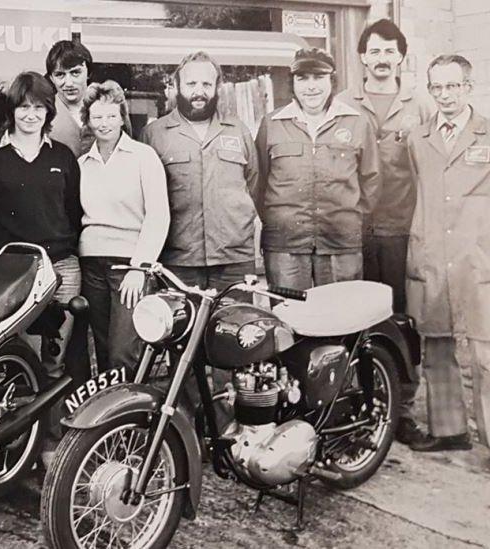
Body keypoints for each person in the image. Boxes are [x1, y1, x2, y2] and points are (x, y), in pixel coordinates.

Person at [0, 72, 86, 465]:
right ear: (12, 110)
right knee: (16, 358)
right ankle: (15, 446)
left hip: (61, 270)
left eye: (39, 107)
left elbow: (73, 212)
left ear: (49, 111)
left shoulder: (62, 157)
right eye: (24, 106)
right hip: (12, 275)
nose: (31, 115)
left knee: (54, 362)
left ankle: (50, 443)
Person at [338, 19, 432, 446]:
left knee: (402, 320)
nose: (381, 58)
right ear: (362, 56)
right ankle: (360, 404)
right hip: (352, 232)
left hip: (401, 230)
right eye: (374, 50)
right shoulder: (343, 102)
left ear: (400, 57)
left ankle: (404, 410)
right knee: (353, 320)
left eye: (389, 51)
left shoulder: (421, 105)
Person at [406, 54, 490, 453]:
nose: (445, 95)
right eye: (436, 87)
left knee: (486, 352)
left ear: (468, 87)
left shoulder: (488, 133)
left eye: (452, 86)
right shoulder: (418, 139)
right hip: (433, 254)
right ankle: (450, 430)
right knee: (436, 345)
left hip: (478, 258)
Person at [254, 48, 381, 289]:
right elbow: (258, 183)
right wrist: (278, 219)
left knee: (340, 319)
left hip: (341, 242)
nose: (311, 86)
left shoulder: (357, 122)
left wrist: (348, 219)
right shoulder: (271, 124)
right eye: (302, 78)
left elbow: (371, 182)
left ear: (331, 81)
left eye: (319, 77)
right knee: (288, 317)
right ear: (292, 82)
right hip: (284, 244)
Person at [141, 51, 259, 292]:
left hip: (233, 261)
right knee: (182, 330)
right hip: (177, 262)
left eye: (207, 84)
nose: (199, 91)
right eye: (191, 83)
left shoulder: (238, 131)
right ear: (176, 86)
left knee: (234, 328)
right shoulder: (155, 134)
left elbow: (255, 186)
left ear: (217, 87)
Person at [78, 80, 169, 374]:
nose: (104, 123)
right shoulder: (82, 164)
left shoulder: (143, 157)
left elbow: (158, 215)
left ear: (122, 117)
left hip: (128, 266)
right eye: (97, 117)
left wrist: (139, 268)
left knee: (123, 351)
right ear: (88, 121)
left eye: (110, 116)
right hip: (91, 265)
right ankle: (108, 419)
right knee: (102, 351)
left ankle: (129, 416)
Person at [45, 40, 94, 156]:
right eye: (60, 75)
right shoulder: (43, 113)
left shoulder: (108, 106)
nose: (69, 83)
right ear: (51, 78)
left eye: (75, 72)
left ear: (88, 72)